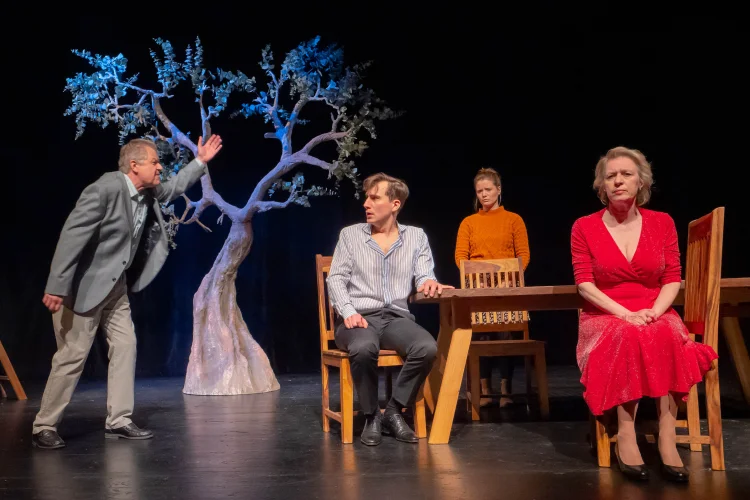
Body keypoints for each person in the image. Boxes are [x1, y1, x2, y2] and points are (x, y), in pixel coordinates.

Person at [32, 135, 223, 449]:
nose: (160, 167)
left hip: (115, 287)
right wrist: (57, 286)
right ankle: (44, 426)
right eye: (154, 162)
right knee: (72, 357)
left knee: (125, 345)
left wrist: (200, 161)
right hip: (83, 289)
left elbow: (173, 188)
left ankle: (119, 420)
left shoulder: (146, 190)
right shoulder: (104, 190)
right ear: (134, 166)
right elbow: (72, 236)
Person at [570, 146, 717, 482]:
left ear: (641, 183)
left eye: (626, 174)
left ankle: (667, 435)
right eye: (611, 176)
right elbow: (585, 285)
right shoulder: (584, 227)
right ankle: (625, 431)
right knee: (627, 333)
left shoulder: (662, 223)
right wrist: (626, 314)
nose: (619, 181)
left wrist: (652, 311)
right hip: (605, 314)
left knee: (664, 331)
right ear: (602, 186)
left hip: (655, 308)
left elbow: (672, 279)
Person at [326, 172, 453, 446]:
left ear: (395, 204)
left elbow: (423, 276)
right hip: (358, 317)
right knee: (363, 348)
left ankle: (394, 411)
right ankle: (371, 415)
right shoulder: (351, 236)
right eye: (366, 198)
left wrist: (429, 281)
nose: (366, 204)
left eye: (375, 198)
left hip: (396, 317)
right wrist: (348, 311)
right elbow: (335, 278)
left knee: (427, 348)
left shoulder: (416, 237)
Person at [454, 167, 530, 408]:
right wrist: (477, 278)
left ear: (499, 190)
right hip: (479, 290)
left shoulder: (514, 220)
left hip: (507, 289)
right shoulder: (469, 222)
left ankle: (506, 386)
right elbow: (460, 257)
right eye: (479, 191)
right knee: (481, 334)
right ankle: (485, 387)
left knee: (506, 333)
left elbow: (523, 255)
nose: (484, 195)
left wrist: (510, 276)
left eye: (488, 189)